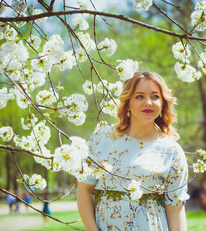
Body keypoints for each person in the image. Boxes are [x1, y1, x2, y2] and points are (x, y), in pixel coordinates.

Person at [77, 71, 189, 231]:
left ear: (163, 103)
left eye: (155, 96)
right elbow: (85, 191)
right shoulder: (101, 138)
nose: (148, 102)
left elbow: (175, 209)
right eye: (139, 96)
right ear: (127, 102)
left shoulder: (172, 151)